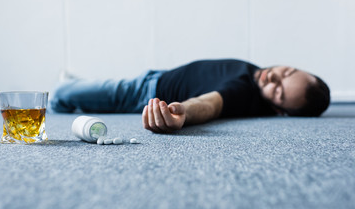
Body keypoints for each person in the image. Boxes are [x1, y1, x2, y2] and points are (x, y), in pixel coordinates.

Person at [50, 59, 330, 133]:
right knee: (90, 88)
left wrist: (181, 112)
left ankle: (70, 91)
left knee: (60, 96)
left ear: (279, 111)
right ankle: (80, 86)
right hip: (157, 75)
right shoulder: (255, 76)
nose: (274, 77)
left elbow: (211, 104)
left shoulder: (244, 93)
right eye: (287, 71)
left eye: (278, 91)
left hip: (143, 92)